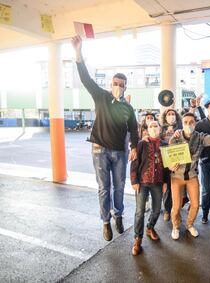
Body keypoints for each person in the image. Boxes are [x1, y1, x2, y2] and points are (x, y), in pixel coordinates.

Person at [71, 35, 138, 241]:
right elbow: (85, 79)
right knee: (104, 187)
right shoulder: (101, 96)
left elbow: (134, 129)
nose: (119, 86)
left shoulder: (127, 107)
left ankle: (118, 215)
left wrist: (134, 147)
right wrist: (78, 52)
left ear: (126, 87)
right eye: (116, 83)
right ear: (111, 84)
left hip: (119, 151)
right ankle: (106, 222)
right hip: (99, 149)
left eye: (122, 84)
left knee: (119, 186)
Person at [169, 112, 210, 240]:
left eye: (191, 122)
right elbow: (169, 157)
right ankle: (176, 226)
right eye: (186, 122)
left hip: (192, 176)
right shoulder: (176, 137)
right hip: (176, 177)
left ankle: (189, 224)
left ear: (195, 123)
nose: (188, 124)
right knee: (176, 207)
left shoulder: (200, 137)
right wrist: (170, 166)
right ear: (182, 124)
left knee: (195, 204)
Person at [130, 121, 168, 255]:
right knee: (139, 211)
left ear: (160, 128)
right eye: (150, 126)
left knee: (157, 210)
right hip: (142, 182)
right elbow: (135, 163)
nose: (153, 128)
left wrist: (165, 182)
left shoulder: (165, 145)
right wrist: (134, 180)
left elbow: (167, 167)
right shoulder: (141, 144)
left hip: (158, 182)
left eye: (155, 126)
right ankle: (137, 238)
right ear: (147, 129)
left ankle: (150, 227)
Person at [160, 109, 182, 221]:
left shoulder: (180, 127)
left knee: (179, 187)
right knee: (167, 186)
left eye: (173, 114)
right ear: (165, 117)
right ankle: (167, 210)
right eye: (168, 114)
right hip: (166, 161)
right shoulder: (161, 129)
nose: (171, 116)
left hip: (179, 160)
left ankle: (177, 208)